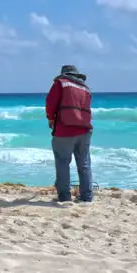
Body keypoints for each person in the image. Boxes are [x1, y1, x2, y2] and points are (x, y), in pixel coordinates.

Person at [46, 64, 94, 203]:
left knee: (62, 163)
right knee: (84, 164)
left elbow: (50, 103)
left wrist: (50, 119)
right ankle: (86, 197)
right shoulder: (85, 88)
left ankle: (64, 197)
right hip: (85, 130)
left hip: (64, 129)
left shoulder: (60, 83)